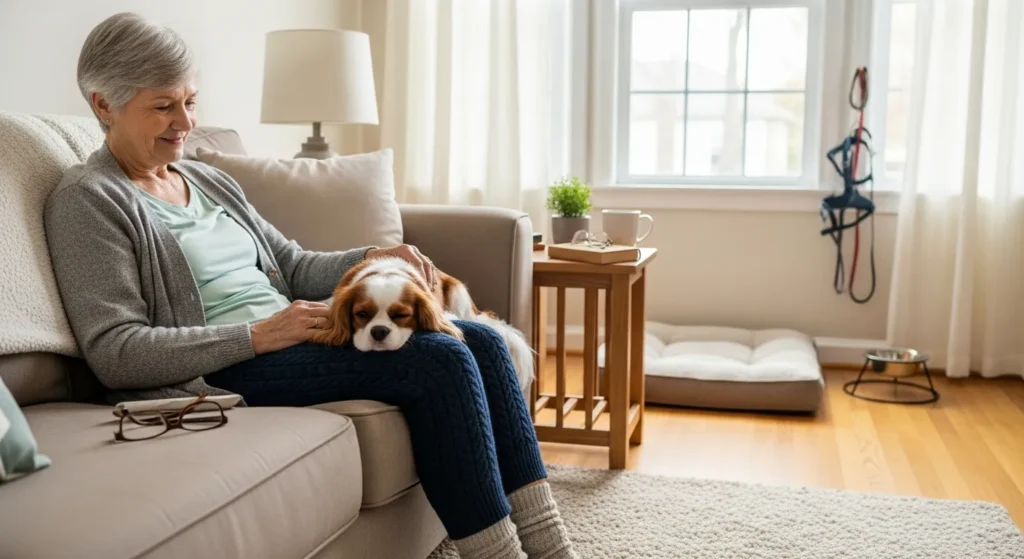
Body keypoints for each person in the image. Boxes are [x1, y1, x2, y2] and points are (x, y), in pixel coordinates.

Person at [44, 12, 578, 559]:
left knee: (483, 342)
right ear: (103, 104)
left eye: (191, 102)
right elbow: (115, 351)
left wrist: (371, 254)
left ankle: (552, 547)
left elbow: (292, 265)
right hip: (219, 367)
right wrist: (257, 335)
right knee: (438, 359)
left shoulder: (206, 179)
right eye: (163, 106)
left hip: (291, 334)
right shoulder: (88, 199)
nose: (184, 121)